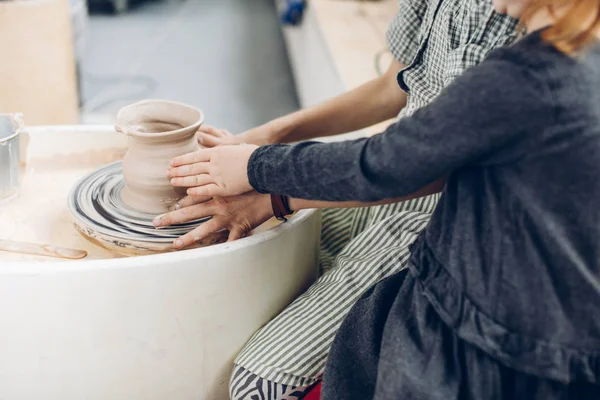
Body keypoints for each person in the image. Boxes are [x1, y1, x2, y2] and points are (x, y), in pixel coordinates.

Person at [163, 0, 600, 397]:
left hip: (441, 207)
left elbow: (398, 167)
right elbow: (395, 87)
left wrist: (269, 184)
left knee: (258, 385)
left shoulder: (533, 66)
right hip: (401, 178)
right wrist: (269, 136)